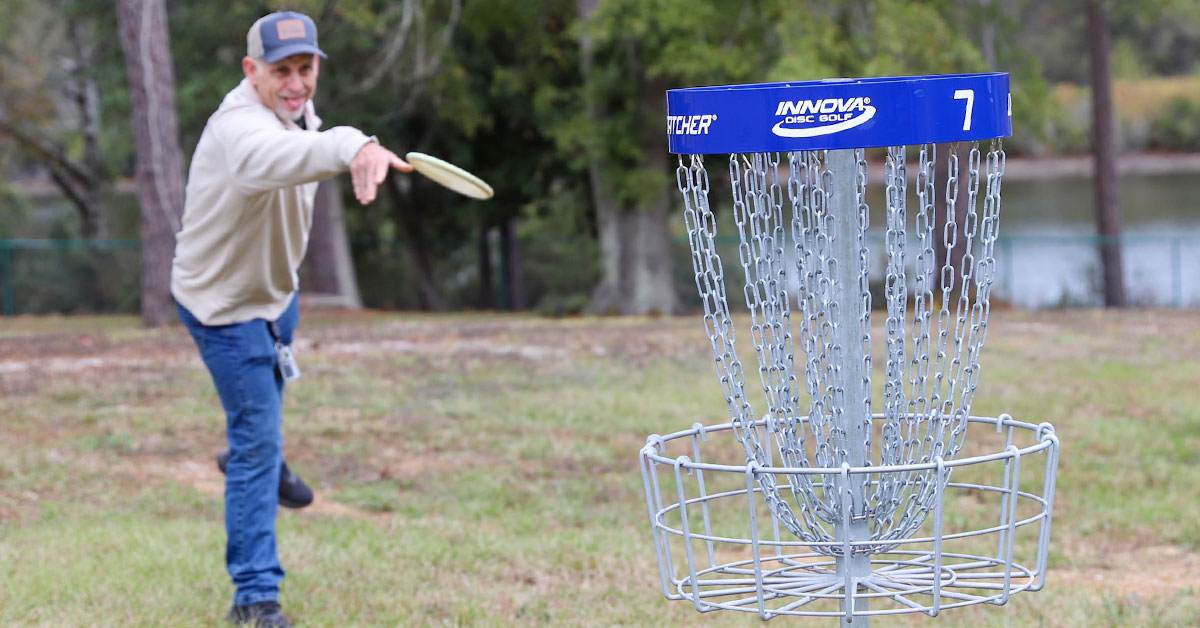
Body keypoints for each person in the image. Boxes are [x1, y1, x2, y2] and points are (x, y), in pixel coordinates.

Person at [172, 10, 411, 627]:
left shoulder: (297, 113)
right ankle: (254, 598)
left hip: (278, 297)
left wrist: (345, 141)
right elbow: (284, 158)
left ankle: (258, 456)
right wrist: (354, 144)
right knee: (256, 438)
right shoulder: (240, 132)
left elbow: (305, 140)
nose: (297, 83)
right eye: (282, 71)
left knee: (257, 431)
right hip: (224, 309)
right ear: (251, 70)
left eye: (306, 69)